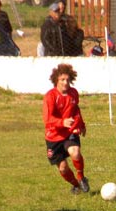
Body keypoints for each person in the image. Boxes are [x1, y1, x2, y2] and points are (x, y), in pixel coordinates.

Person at [43, 64, 89, 194]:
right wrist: (62, 122)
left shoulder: (73, 93)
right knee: (63, 168)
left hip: (69, 132)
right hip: (53, 136)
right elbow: (48, 120)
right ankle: (75, 185)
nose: (65, 82)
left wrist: (81, 124)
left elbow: (76, 110)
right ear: (56, 80)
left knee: (75, 152)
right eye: (62, 79)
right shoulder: (50, 96)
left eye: (68, 80)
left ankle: (81, 178)